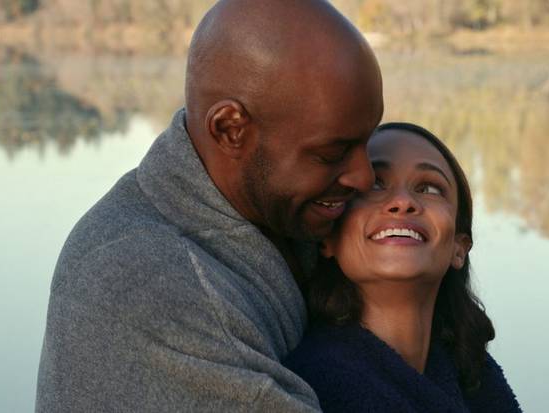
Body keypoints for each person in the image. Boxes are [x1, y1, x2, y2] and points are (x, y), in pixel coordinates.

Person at [36, 0, 383, 411]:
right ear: (230, 130)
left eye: (368, 141)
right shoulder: (143, 279)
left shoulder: (288, 216)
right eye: (332, 153)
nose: (364, 177)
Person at [284, 123, 523, 412]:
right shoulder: (308, 384)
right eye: (375, 183)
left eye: (429, 188)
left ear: (458, 248)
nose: (402, 202)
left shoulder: (474, 376)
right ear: (328, 240)